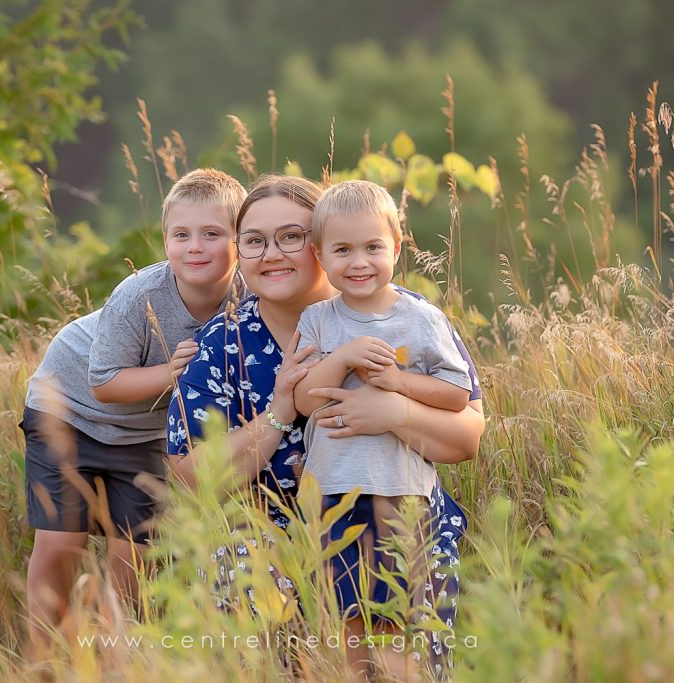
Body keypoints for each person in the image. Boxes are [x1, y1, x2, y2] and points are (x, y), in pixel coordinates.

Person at [166, 174, 484, 678]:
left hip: (395, 509)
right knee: (242, 566)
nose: (272, 254)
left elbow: (467, 433)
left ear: (316, 244)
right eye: (254, 241)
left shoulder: (405, 315)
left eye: (290, 237)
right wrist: (281, 411)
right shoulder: (225, 341)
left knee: (403, 657)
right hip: (276, 532)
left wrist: (395, 412)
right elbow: (190, 474)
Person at [22, 168, 247, 648]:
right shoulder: (139, 295)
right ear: (164, 240)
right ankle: (40, 658)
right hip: (69, 410)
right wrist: (172, 373)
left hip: (146, 433)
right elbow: (103, 383)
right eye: (181, 235)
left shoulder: (246, 299)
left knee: (137, 556)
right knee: (64, 541)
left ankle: (112, 657)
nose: (195, 247)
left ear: (240, 239)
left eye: (213, 234)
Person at [293, 179, 473, 609]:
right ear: (320, 256)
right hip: (329, 493)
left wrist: (398, 383)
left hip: (401, 491)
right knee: (340, 616)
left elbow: (456, 394)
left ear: (395, 249)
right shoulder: (317, 319)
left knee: (396, 613)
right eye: (342, 250)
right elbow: (302, 402)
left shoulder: (422, 318)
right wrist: (344, 357)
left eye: (372, 248)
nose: (359, 262)